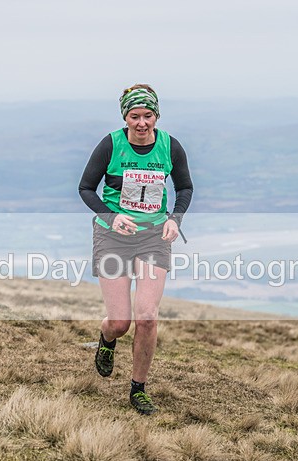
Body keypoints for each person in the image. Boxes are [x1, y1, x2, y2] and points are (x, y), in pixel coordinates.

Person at [78, 83, 193, 415]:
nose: (142, 123)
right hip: (113, 237)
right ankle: (107, 337)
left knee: (146, 317)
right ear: (125, 117)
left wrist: (175, 219)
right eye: (134, 116)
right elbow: (85, 187)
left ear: (156, 115)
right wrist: (111, 217)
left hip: (154, 237)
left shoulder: (170, 147)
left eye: (148, 116)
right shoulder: (110, 145)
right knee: (121, 322)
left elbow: (185, 186)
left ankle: (138, 389)